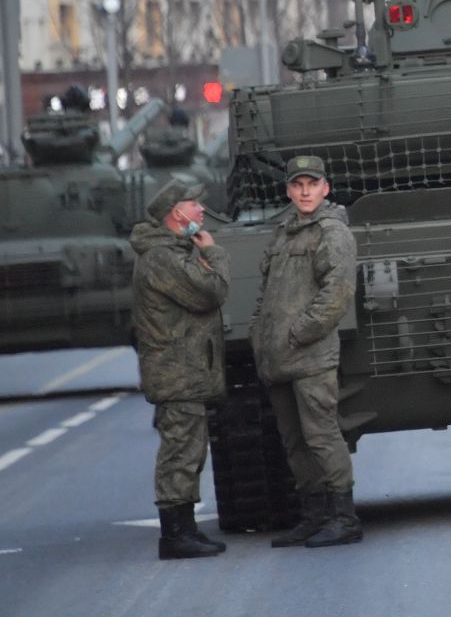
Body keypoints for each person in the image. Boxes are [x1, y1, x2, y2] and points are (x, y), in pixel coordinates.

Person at [253, 155, 362, 548]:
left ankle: (344, 517)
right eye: (297, 184)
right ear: (288, 190)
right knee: (294, 440)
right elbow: (267, 295)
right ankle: (314, 515)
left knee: (321, 435)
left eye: (311, 184)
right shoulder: (284, 233)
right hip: (279, 357)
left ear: (325, 188)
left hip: (311, 355)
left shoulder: (332, 233)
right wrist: (260, 336)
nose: (304, 191)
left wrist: (298, 334)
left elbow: (337, 294)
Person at [131, 177, 231, 560]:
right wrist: (215, 254)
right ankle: (175, 536)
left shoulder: (170, 250)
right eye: (195, 204)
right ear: (177, 213)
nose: (202, 211)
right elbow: (210, 292)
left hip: (184, 369)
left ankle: (185, 530)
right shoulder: (163, 257)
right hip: (177, 371)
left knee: (189, 451)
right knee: (180, 452)